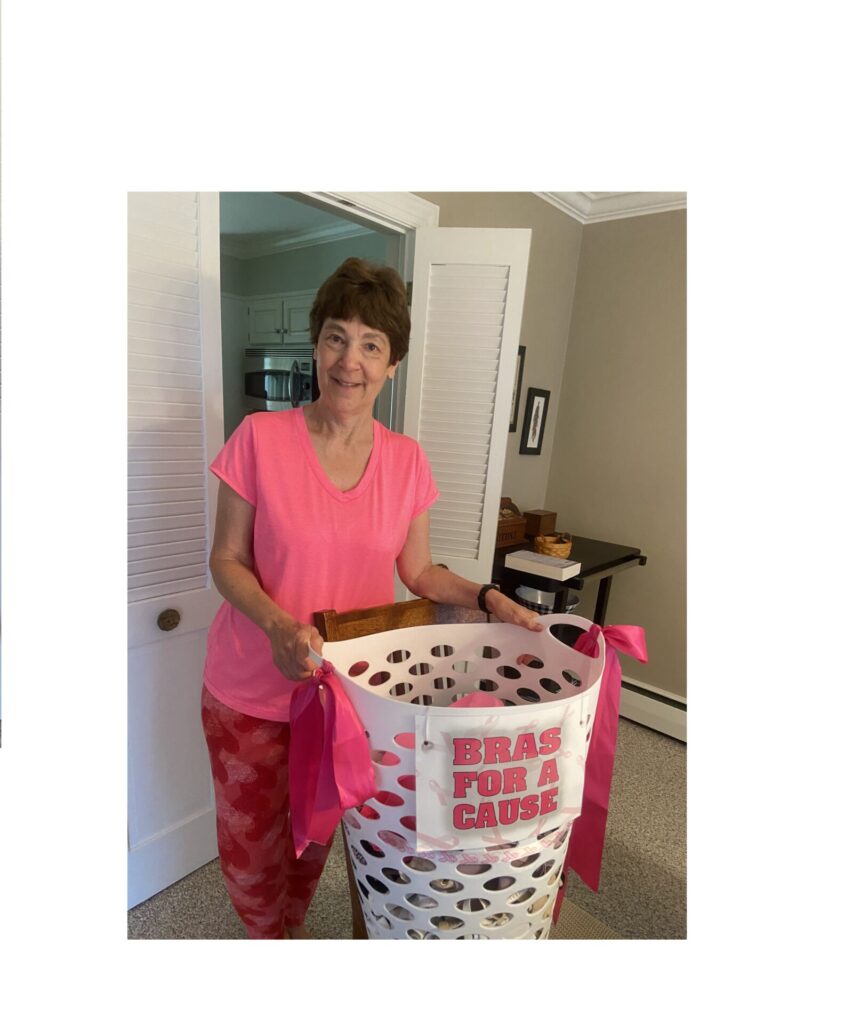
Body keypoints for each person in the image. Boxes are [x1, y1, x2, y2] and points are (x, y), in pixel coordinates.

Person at [201, 256, 542, 940]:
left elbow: (419, 572)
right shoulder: (258, 439)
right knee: (253, 860)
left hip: (349, 699)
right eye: (335, 336)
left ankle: (290, 934)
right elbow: (226, 559)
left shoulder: (406, 460)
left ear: (392, 365)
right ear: (315, 344)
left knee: (314, 846)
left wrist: (486, 595)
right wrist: (278, 624)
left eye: (370, 344)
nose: (348, 360)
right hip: (250, 696)